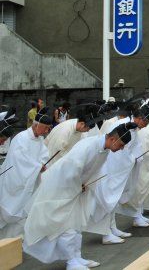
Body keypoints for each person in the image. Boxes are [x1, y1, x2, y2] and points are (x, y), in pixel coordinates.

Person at [23, 124, 131, 270]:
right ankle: (71, 262)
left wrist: (83, 185)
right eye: (121, 144)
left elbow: (91, 171)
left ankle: (76, 257)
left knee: (77, 224)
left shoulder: (104, 149)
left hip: (76, 190)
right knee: (66, 226)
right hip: (61, 188)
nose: (122, 148)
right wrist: (79, 185)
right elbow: (70, 170)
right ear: (112, 139)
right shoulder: (88, 146)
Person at [0, 109, 51, 239]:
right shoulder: (21, 138)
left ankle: (17, 242)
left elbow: (44, 155)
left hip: (29, 182)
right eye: (45, 128)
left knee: (24, 212)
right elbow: (18, 160)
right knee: (11, 210)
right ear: (36, 125)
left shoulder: (39, 140)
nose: (46, 132)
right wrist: (37, 167)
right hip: (15, 182)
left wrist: (43, 165)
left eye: (48, 129)